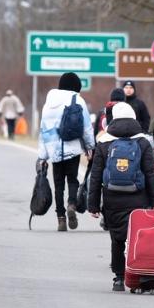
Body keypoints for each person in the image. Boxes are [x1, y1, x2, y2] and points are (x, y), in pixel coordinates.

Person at [88, 102, 154, 292]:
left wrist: (93, 205)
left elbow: (95, 176)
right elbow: (151, 174)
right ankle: (137, 275)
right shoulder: (143, 142)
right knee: (139, 237)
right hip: (139, 198)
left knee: (117, 239)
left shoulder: (104, 142)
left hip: (112, 198)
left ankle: (119, 278)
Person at [37, 73, 95, 232]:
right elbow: (86, 128)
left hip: (54, 150)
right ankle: (71, 204)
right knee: (72, 179)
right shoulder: (78, 100)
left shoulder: (48, 104)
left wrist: (43, 156)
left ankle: (61, 218)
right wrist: (90, 147)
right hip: (73, 147)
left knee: (58, 184)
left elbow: (43, 130)